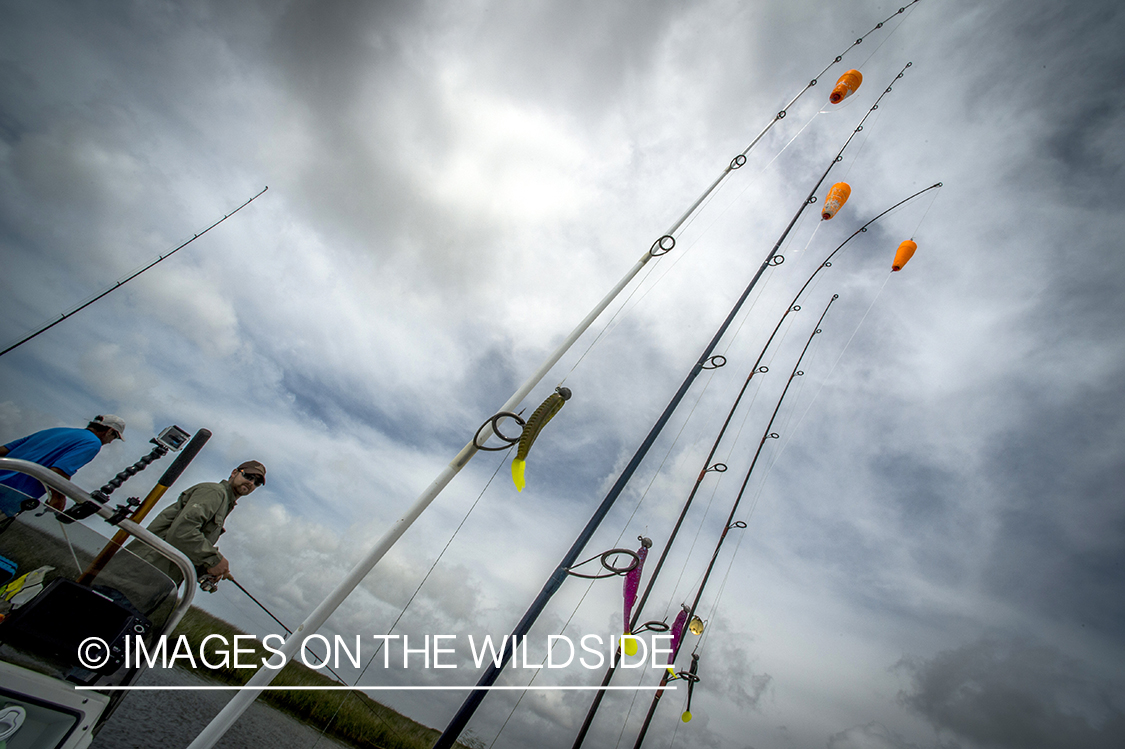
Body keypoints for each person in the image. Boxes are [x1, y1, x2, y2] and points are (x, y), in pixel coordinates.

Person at [130, 460, 266, 586]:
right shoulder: (215, 493)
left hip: (152, 584)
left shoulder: (224, 504)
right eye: (248, 476)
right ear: (234, 473)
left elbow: (183, 546)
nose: (251, 483)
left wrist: (205, 568)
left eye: (257, 483)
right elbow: (182, 532)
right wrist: (214, 559)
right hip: (135, 577)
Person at [0, 415, 125, 517]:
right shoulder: (93, 443)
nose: (110, 442)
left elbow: (4, 450)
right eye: (114, 436)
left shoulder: (54, 431)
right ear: (109, 431)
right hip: (8, 495)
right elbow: (58, 471)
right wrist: (58, 498)